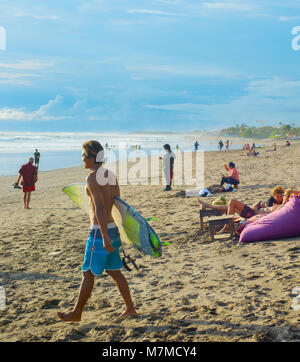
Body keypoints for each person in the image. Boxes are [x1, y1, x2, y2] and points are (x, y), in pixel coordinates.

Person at [57, 140, 137, 322]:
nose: (82, 158)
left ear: (93, 158)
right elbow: (118, 203)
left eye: (84, 155)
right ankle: (130, 308)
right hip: (113, 229)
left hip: (99, 232)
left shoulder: (92, 178)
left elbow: (100, 207)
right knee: (115, 271)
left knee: (88, 272)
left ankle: (76, 312)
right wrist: (118, 231)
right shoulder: (111, 175)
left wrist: (104, 236)